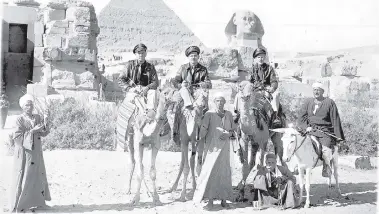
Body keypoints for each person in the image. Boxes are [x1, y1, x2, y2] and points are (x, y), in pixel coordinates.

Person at [9, 94, 51, 213]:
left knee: (36, 176)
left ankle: (36, 203)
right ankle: (21, 205)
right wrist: (32, 131)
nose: (30, 107)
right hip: (24, 153)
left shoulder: (37, 117)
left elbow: (43, 133)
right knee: (25, 176)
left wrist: (46, 121)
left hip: (36, 152)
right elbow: (17, 138)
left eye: (31, 104)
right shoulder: (19, 119)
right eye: (27, 105)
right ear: (22, 106)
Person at [193, 93, 235, 210]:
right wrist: (198, 125)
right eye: (217, 100)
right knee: (210, 172)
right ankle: (210, 200)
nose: (220, 103)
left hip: (225, 149)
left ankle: (224, 200)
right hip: (212, 149)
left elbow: (233, 130)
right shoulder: (209, 114)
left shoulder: (229, 114)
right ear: (214, 102)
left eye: (222, 101)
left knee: (224, 172)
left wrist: (228, 134)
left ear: (225, 102)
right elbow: (202, 132)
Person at [297, 82, 345, 177]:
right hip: (310, 130)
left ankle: (326, 168)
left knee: (326, 149)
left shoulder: (329, 102)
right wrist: (306, 127)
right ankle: (298, 165)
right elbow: (301, 117)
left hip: (324, 131)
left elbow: (335, 119)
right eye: (314, 90)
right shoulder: (308, 102)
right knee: (298, 143)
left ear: (322, 91)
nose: (316, 92)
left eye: (318, 90)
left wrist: (338, 136)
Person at [233, 48, 283, 128]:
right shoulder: (252, 69)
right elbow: (249, 81)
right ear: (255, 58)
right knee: (238, 95)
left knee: (276, 95)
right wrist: (243, 86)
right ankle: (237, 113)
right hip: (254, 89)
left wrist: (272, 88)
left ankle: (275, 117)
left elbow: (274, 81)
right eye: (258, 57)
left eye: (262, 57)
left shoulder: (269, 68)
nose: (260, 59)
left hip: (266, 89)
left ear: (265, 57)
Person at [117, 43, 159, 110]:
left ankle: (150, 115)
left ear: (146, 54)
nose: (141, 55)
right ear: (135, 54)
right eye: (138, 53)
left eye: (142, 53)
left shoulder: (150, 67)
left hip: (146, 90)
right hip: (133, 90)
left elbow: (156, 82)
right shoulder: (129, 65)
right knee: (130, 105)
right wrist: (129, 88)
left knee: (153, 93)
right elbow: (120, 79)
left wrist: (147, 88)